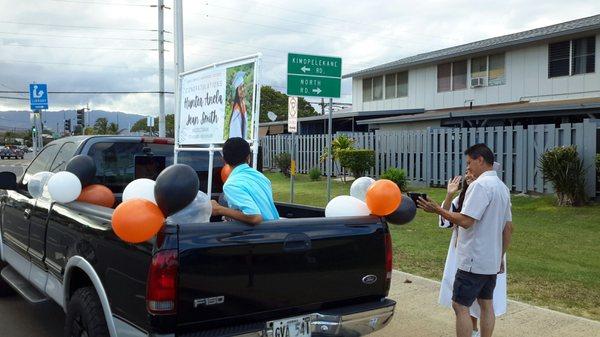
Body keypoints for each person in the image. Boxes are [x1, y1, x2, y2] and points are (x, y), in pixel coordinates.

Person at [418, 144, 513, 337]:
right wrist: (500, 256)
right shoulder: (502, 188)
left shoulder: (480, 186)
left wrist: (438, 209)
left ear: (480, 160)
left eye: (469, 163)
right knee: (486, 304)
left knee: (460, 305)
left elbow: (466, 221)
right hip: (491, 261)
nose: (467, 168)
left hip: (472, 260)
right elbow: (508, 228)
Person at [439, 170, 509, 337]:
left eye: (471, 169)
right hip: (475, 253)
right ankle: (474, 330)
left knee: (464, 303)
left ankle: (474, 331)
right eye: (466, 172)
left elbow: (466, 222)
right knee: (482, 302)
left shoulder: (486, 191)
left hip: (475, 254)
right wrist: (449, 195)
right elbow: (446, 222)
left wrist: (436, 209)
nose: (468, 175)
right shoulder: (467, 197)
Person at [211, 137, 279, 225]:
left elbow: (254, 217)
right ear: (248, 157)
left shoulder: (232, 185)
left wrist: (218, 209)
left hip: (261, 236)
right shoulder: (261, 177)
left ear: (223, 159)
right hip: (276, 230)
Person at [229, 71, 248, 139]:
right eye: (240, 88)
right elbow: (236, 133)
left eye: (243, 86)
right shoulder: (236, 110)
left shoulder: (243, 105)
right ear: (237, 92)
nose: (243, 89)